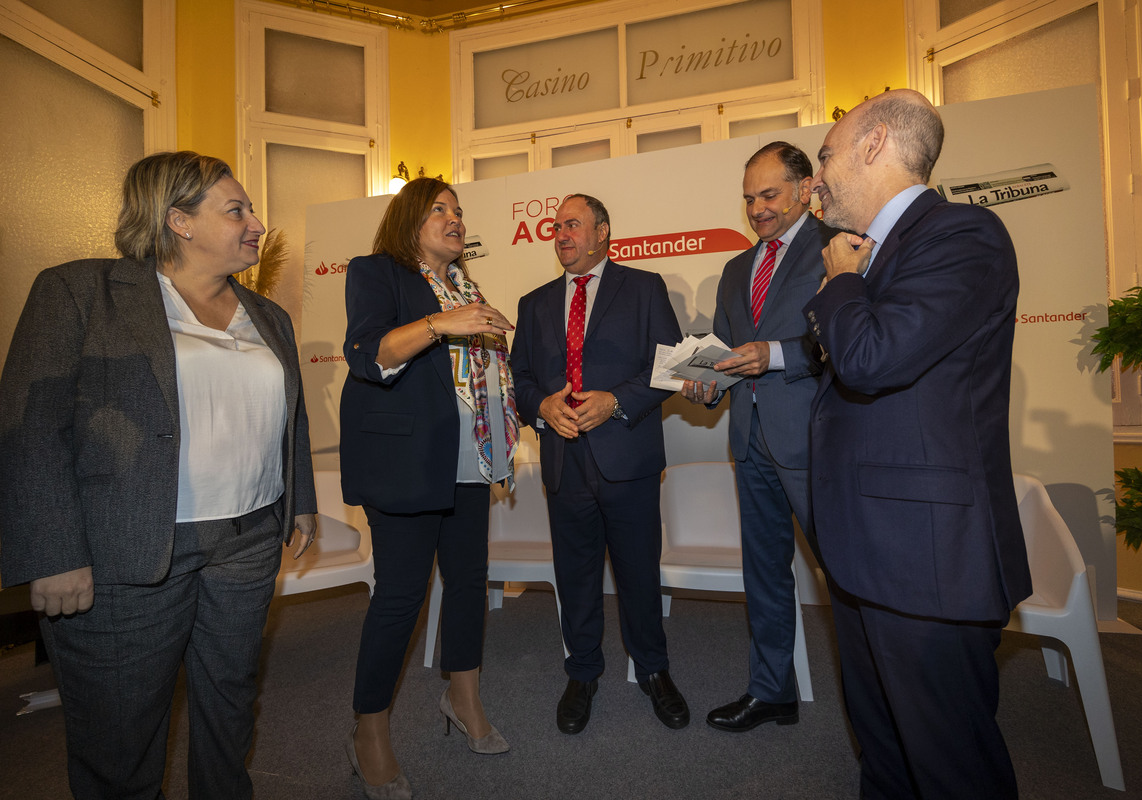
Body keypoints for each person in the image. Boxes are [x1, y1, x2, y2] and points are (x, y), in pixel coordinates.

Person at [0, 150, 318, 799]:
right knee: (119, 732)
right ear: (178, 219)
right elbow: (29, 425)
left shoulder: (269, 316)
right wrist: (52, 552)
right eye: (237, 210)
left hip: (248, 540)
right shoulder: (79, 292)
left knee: (230, 702)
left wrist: (300, 500)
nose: (257, 224)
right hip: (124, 550)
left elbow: (292, 416)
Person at [802, 89, 1033, 799]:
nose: (818, 178)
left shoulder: (963, 234)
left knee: (950, 766)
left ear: (875, 144)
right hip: (865, 549)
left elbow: (872, 359)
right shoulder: (874, 250)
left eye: (827, 155)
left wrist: (839, 284)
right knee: (887, 755)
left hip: (925, 557)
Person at [340, 177, 517, 799]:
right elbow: (368, 355)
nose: (455, 217)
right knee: (401, 595)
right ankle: (369, 730)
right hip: (405, 460)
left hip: (469, 454)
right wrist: (442, 323)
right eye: (440, 208)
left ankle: (462, 696)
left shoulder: (467, 286)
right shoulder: (377, 272)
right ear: (409, 219)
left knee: (469, 580)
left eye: (459, 210)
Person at [510, 193, 688, 734]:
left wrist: (615, 401)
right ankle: (582, 672)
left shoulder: (644, 288)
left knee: (637, 574)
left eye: (573, 225)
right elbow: (520, 381)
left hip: (627, 458)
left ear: (603, 231)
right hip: (563, 461)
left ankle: (653, 670)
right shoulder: (533, 302)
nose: (561, 234)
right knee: (576, 575)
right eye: (556, 227)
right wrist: (540, 406)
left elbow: (672, 367)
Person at [680, 141, 827, 733]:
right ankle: (772, 691)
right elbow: (724, 353)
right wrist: (705, 384)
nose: (758, 209)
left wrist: (776, 355)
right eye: (749, 198)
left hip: (816, 441)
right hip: (750, 440)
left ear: (805, 188)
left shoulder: (837, 247)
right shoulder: (738, 269)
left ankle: (891, 700)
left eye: (769, 195)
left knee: (847, 577)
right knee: (764, 572)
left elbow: (853, 343)